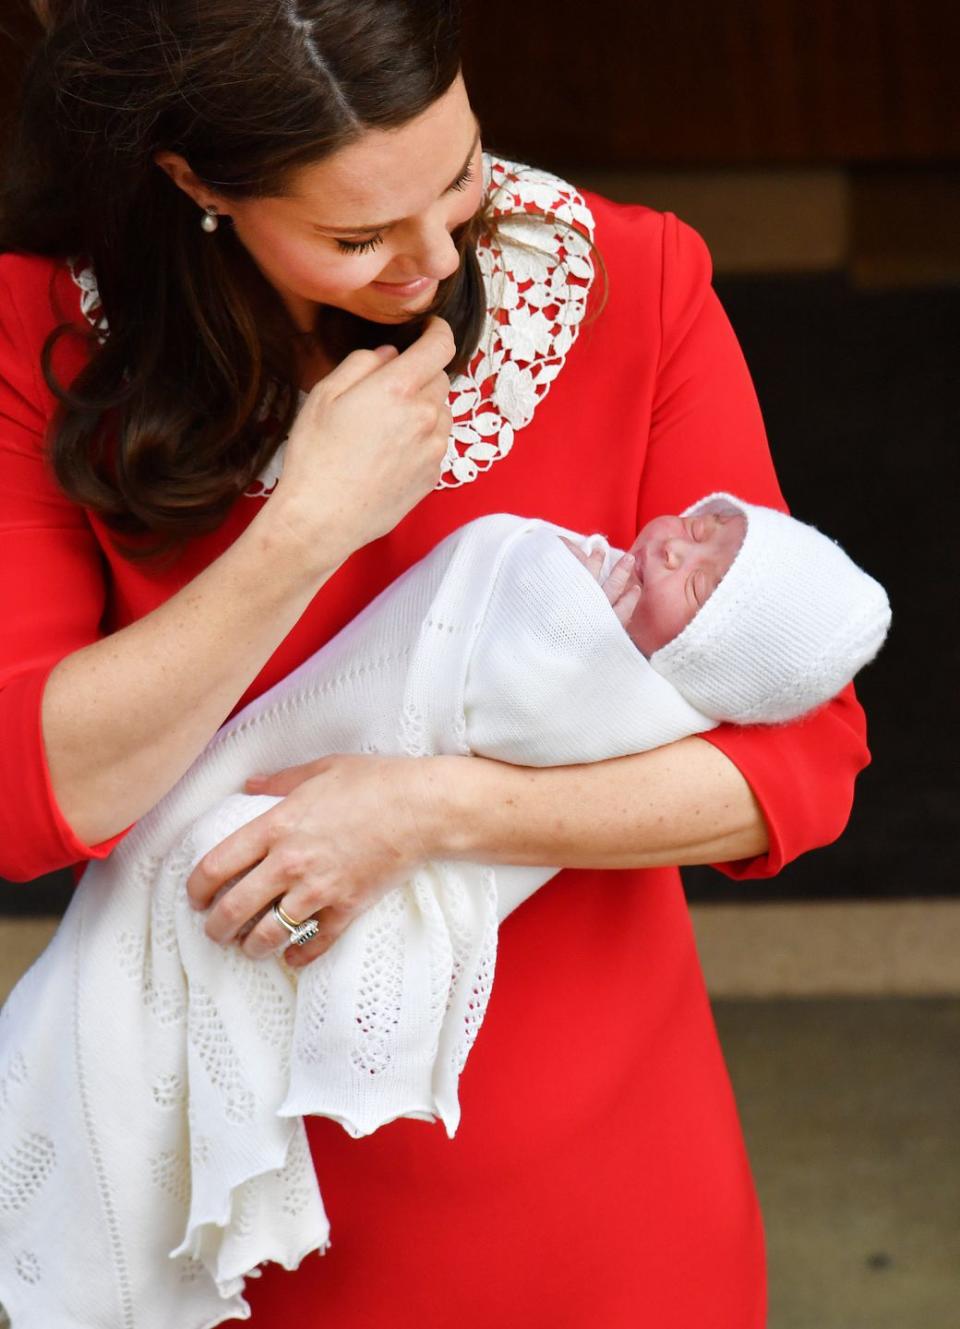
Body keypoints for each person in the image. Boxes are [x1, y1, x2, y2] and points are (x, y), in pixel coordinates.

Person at [0, 2, 874, 1326]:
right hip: (222, 1207)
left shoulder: (633, 282)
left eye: (459, 172)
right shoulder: (40, 330)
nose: (435, 255)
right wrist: (304, 528)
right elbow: (33, 794)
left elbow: (803, 764)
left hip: (605, 1179)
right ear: (197, 185)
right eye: (356, 236)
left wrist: (429, 810)